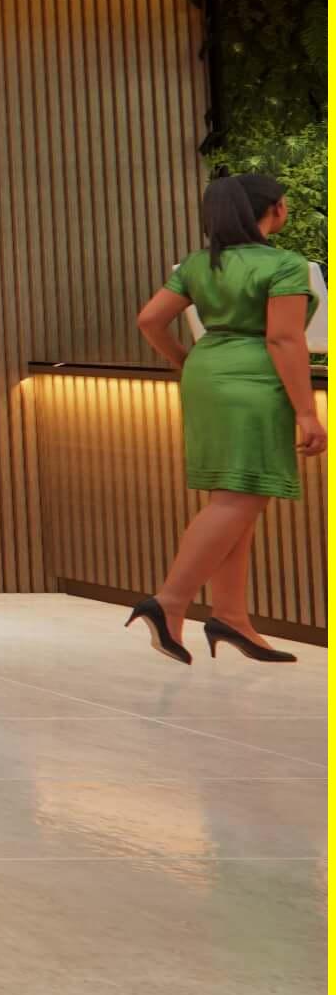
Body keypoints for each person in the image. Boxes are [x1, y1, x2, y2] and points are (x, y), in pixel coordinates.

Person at [127, 172, 323, 664]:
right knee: (241, 498)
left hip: (207, 372)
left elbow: (150, 319)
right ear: (275, 210)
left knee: (233, 497)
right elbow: (283, 338)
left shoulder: (199, 263)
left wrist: (185, 359)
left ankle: (231, 616)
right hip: (254, 380)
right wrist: (307, 412)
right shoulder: (284, 264)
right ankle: (169, 601)